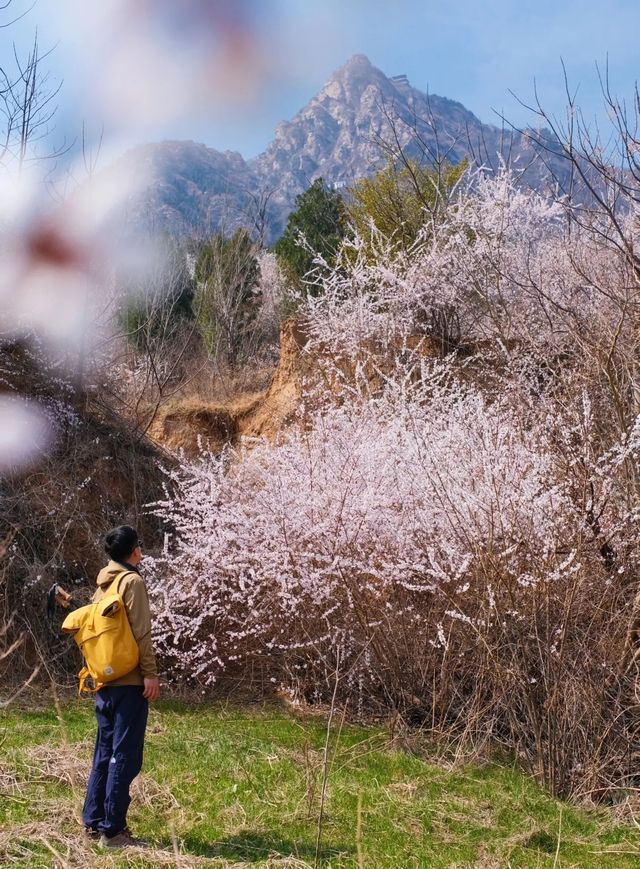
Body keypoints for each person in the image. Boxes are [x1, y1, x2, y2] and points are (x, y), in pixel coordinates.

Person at [82, 525, 160, 850]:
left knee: (104, 752)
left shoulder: (102, 586)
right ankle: (113, 832)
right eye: (139, 547)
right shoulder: (132, 582)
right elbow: (142, 632)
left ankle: (93, 822)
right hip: (129, 683)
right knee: (124, 755)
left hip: (104, 682)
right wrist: (150, 674)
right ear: (133, 552)